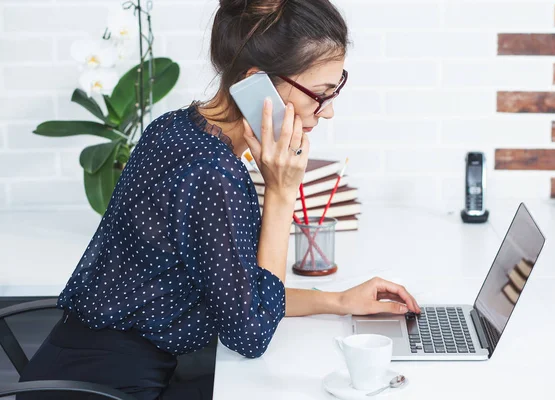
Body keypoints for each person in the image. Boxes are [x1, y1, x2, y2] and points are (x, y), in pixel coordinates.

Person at [18, 0, 420, 399]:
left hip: (83, 364)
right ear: (257, 82)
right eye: (320, 93)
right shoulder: (212, 173)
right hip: (104, 388)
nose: (327, 112)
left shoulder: (176, 127)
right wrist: (280, 193)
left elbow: (241, 294)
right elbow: (252, 333)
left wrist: (339, 300)